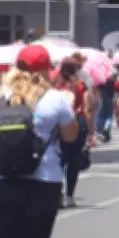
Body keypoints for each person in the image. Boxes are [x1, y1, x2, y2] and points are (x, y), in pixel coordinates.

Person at [0, 45, 78, 238]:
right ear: (45, 70)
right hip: (44, 180)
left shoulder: (2, 95)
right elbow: (71, 137)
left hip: (5, 178)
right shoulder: (56, 99)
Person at [50, 57, 93, 208]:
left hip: (56, 125)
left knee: (58, 161)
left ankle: (57, 194)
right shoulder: (80, 85)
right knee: (73, 162)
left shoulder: (54, 84)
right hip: (76, 124)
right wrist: (91, 131)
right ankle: (69, 196)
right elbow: (87, 108)